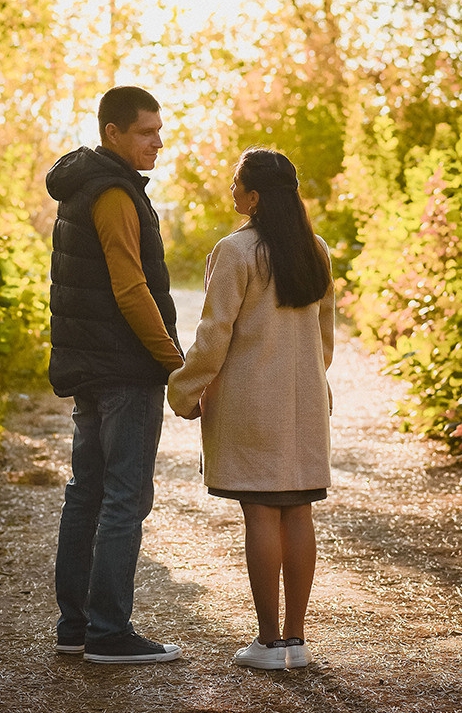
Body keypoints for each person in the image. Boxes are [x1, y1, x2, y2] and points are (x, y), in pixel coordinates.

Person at [167, 148, 334, 671]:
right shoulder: (316, 249)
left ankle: (267, 642)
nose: (232, 190)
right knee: (298, 510)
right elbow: (324, 338)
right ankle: (296, 641)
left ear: (255, 196)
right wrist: (312, 380)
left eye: (237, 183)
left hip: (252, 402)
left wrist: (184, 390)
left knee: (260, 510)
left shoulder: (235, 251)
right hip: (305, 400)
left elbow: (214, 334)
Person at [46, 86, 184, 664]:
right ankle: (107, 632)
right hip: (124, 369)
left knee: (87, 494)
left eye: (159, 130)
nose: (158, 142)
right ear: (113, 133)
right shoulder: (114, 194)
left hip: (91, 366)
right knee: (124, 498)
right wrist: (173, 362)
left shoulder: (85, 187)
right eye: (147, 132)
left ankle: (76, 628)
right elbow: (131, 289)